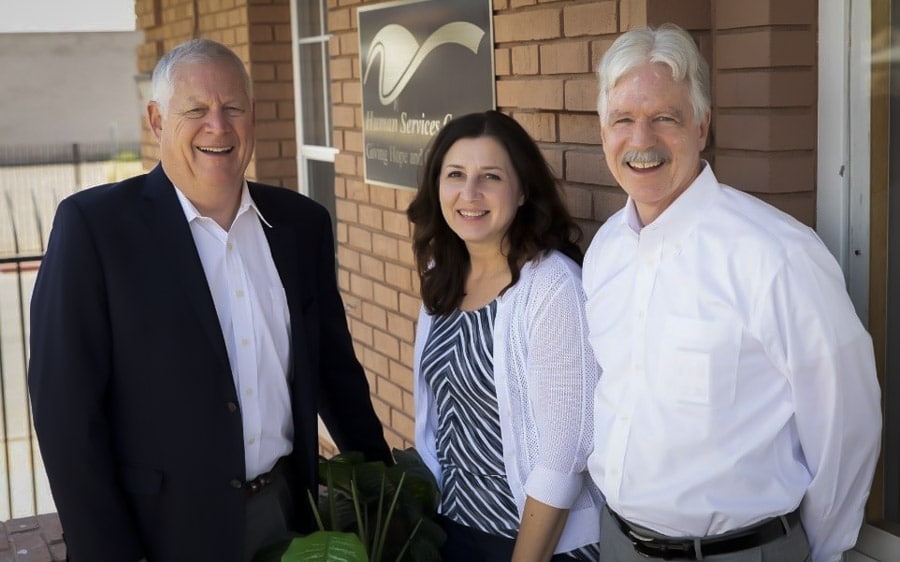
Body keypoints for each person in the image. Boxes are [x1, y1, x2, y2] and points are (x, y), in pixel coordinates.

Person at [27, 38, 392, 562]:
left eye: (232, 108)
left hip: (288, 514)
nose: (217, 126)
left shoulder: (301, 225)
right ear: (156, 121)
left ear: (253, 117)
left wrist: (388, 500)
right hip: (162, 531)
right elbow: (66, 414)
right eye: (195, 110)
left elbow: (335, 373)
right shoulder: (96, 229)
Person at [584, 23, 882, 562]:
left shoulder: (777, 255)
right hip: (618, 544)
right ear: (602, 131)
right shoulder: (605, 252)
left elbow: (848, 426)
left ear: (702, 125)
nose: (641, 140)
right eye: (623, 119)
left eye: (664, 118)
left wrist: (819, 550)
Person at [407, 110, 603, 562]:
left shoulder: (552, 287)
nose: (469, 193)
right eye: (455, 174)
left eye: (490, 177)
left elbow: (563, 459)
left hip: (530, 542)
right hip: (451, 531)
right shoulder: (442, 277)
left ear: (522, 192)